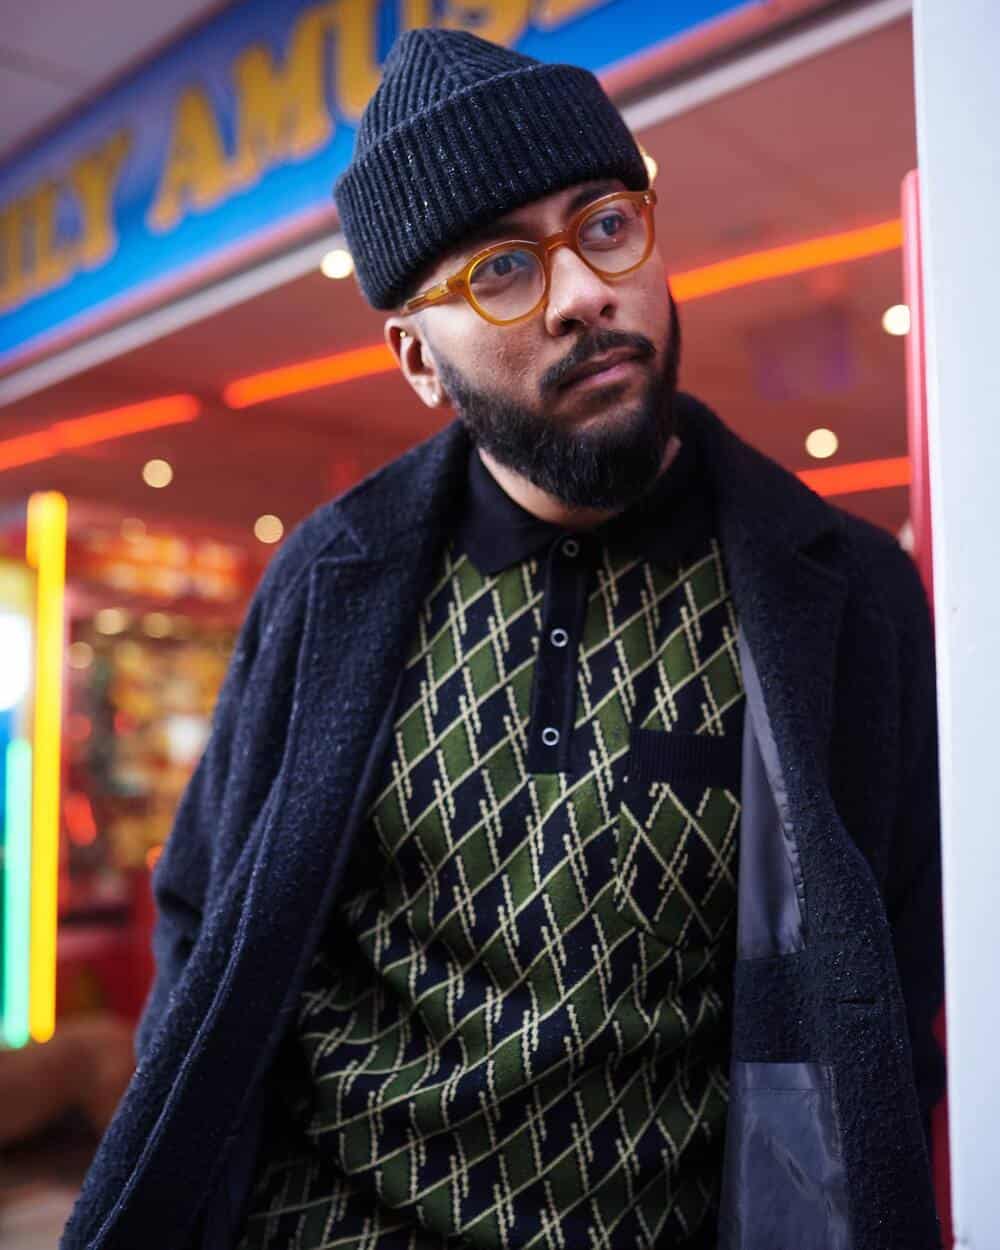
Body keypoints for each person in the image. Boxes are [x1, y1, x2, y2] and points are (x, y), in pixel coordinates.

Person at [62, 27, 944, 1250]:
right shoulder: (328, 583)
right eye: (499, 271)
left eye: (602, 224)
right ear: (417, 356)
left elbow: (896, 998)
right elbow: (208, 917)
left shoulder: (842, 597)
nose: (584, 290)